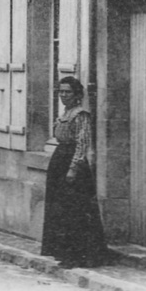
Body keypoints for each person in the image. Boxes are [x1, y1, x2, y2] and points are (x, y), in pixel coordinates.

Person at [40, 77, 111, 268]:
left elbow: (82, 143)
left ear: (77, 94)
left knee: (74, 211)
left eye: (68, 92)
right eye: (61, 92)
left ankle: (79, 255)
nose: (63, 95)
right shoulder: (65, 113)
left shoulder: (81, 115)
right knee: (59, 209)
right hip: (59, 161)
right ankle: (61, 251)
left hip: (73, 166)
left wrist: (73, 169)